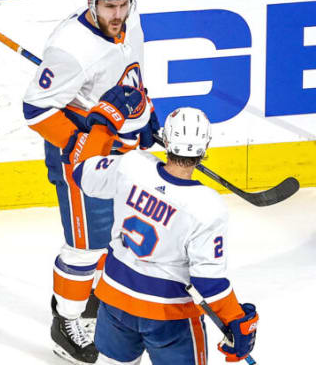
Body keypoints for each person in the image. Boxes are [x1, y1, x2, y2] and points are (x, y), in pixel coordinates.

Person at [22, 0, 159, 364]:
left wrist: (145, 114)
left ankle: (94, 301)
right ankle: (65, 321)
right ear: (91, 2)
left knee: (117, 235)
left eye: (122, 4)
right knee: (85, 245)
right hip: (80, 159)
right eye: (107, 6)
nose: (116, 15)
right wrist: (81, 143)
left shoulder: (131, 24)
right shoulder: (70, 47)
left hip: (122, 148)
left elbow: (131, 77)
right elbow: (35, 109)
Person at [66, 106, 259, 364]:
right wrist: (236, 319)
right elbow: (208, 283)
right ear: (205, 147)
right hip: (168, 314)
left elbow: (81, 172)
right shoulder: (208, 206)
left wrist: (103, 127)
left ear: (166, 140)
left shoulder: (132, 164)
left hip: (115, 300)